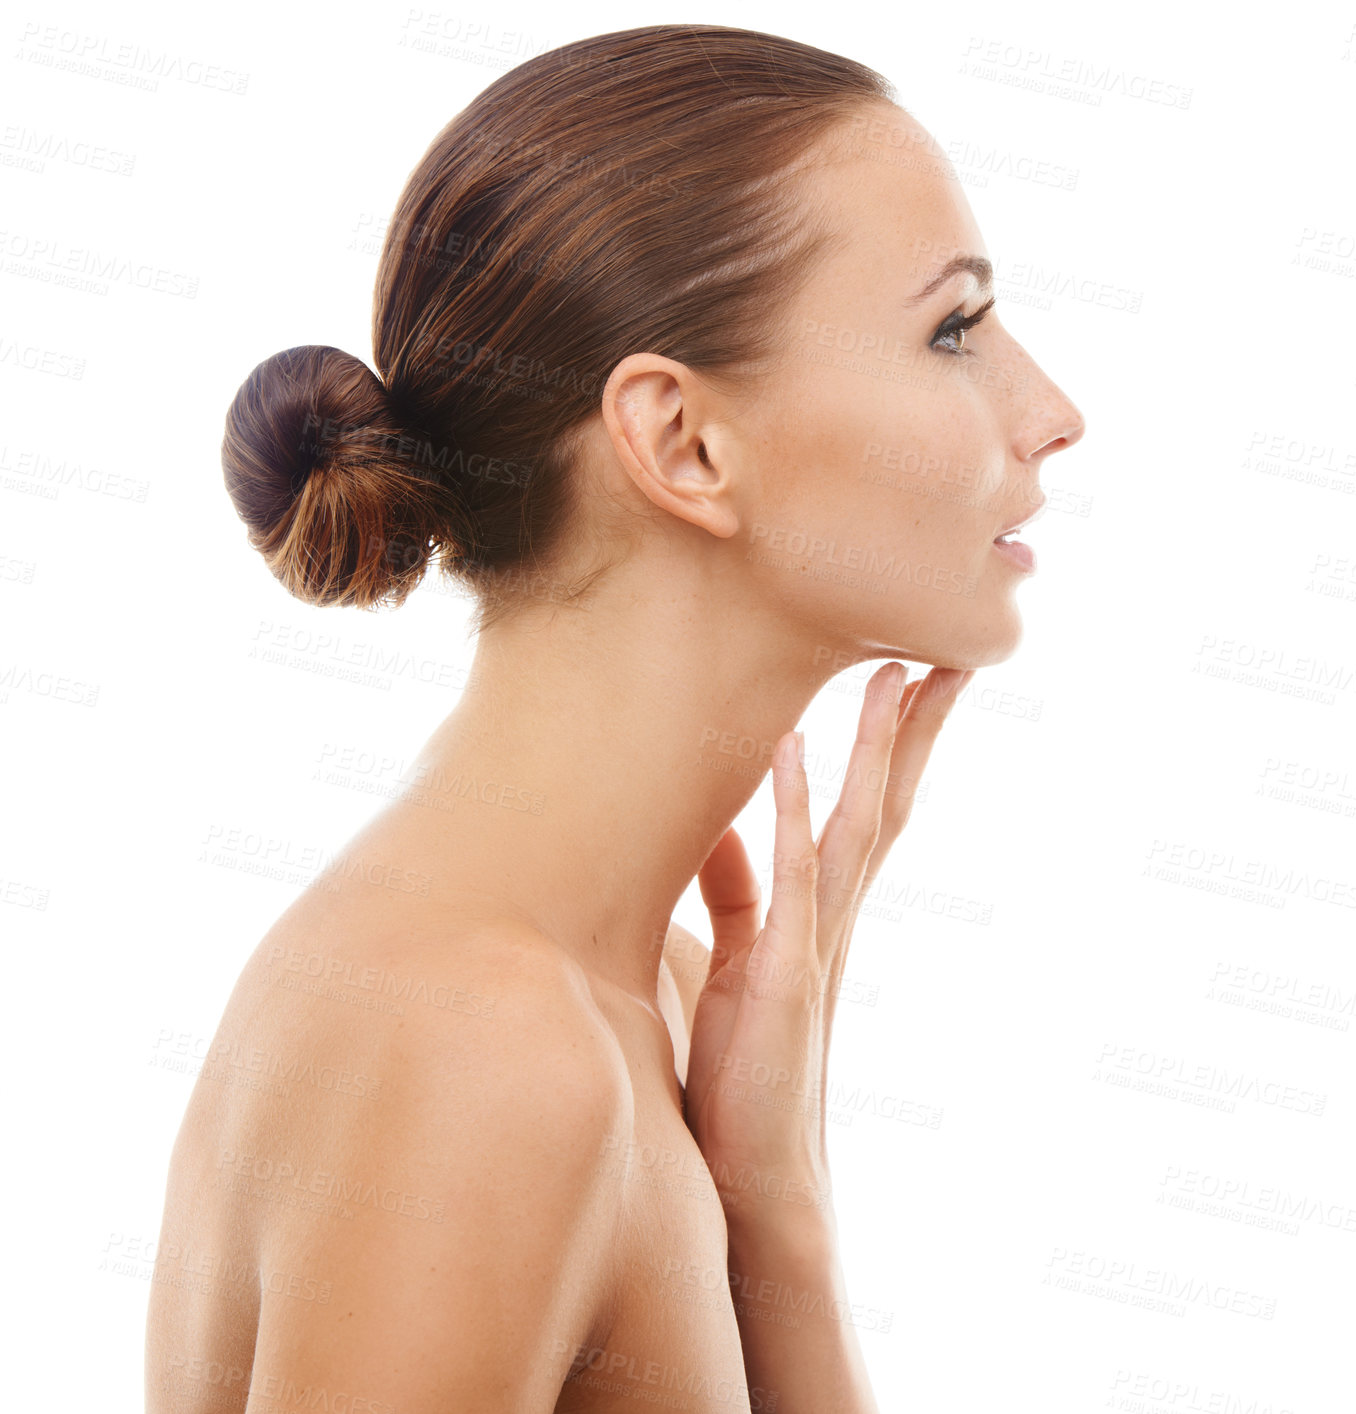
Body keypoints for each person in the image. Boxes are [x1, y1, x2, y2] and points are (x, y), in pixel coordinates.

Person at [145, 23, 1084, 1413]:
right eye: (952, 327)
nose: (1051, 413)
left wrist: (780, 1226)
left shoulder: (639, 991)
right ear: (683, 443)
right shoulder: (476, 1047)